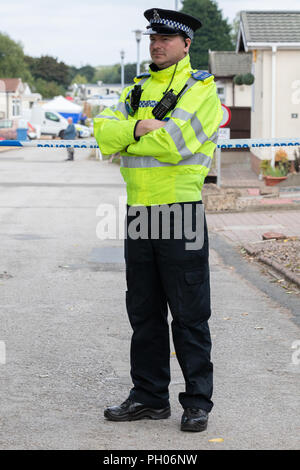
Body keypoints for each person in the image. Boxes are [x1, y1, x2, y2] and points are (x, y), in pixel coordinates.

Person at [94, 7, 222, 432]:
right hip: (138, 214)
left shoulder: (200, 89)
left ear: (186, 44)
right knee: (144, 313)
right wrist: (137, 130)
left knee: (189, 314)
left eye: (166, 38)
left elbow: (174, 144)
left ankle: (197, 402)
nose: (157, 44)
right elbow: (102, 133)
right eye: (153, 38)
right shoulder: (136, 89)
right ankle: (149, 398)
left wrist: (131, 135)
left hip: (179, 211)